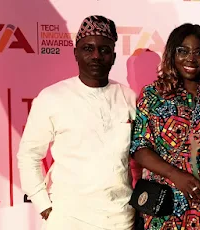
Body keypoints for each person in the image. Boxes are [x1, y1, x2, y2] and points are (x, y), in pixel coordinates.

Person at [17, 15, 136, 230]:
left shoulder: (128, 97)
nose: (96, 56)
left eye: (104, 50)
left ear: (114, 56)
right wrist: (42, 204)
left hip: (120, 219)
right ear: (76, 53)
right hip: (67, 219)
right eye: (88, 48)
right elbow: (29, 155)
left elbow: (137, 157)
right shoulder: (52, 97)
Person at [130, 23, 200, 230]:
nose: (191, 58)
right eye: (182, 51)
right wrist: (176, 176)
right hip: (166, 202)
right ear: (172, 54)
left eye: (198, 52)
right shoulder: (153, 95)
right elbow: (139, 147)